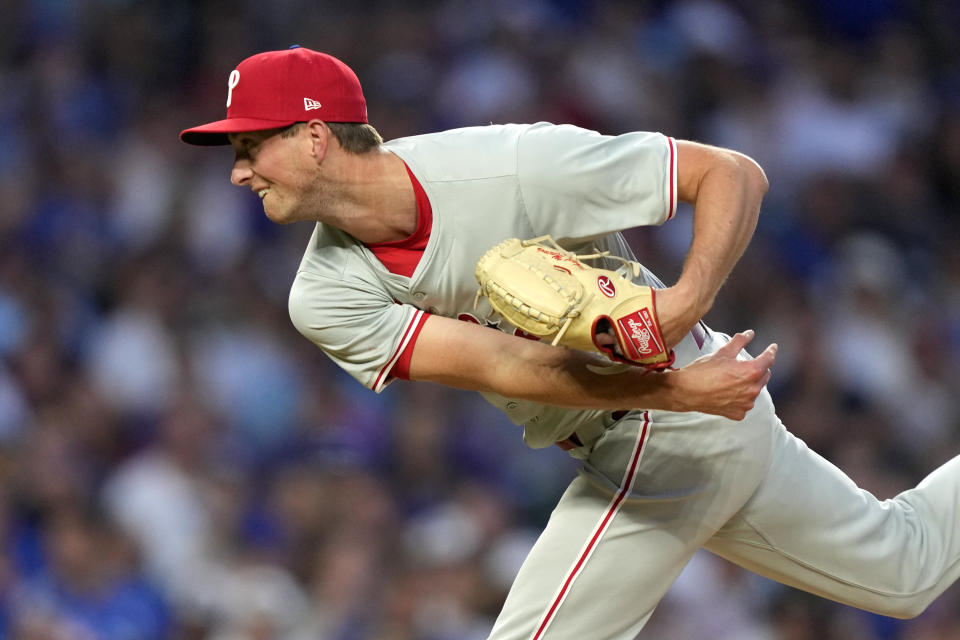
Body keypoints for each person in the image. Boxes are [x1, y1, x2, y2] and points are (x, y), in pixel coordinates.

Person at [180, 46, 960, 639]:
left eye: (251, 147)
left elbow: (732, 175)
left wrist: (683, 304)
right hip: (670, 407)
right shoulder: (324, 294)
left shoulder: (507, 167)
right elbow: (505, 364)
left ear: (315, 136)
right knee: (904, 568)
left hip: (670, 424)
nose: (238, 173)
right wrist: (680, 388)